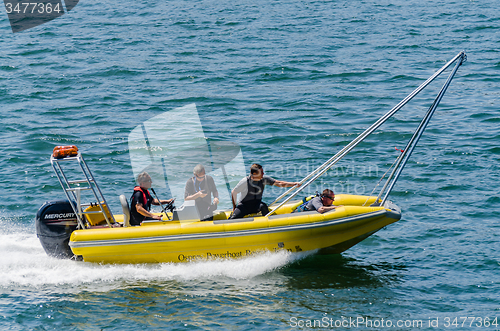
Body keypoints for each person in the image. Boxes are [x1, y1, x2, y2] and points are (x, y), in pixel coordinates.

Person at [230, 163, 300, 219]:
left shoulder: (264, 179)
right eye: (261, 172)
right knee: (233, 219)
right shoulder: (245, 181)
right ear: (254, 174)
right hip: (244, 206)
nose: (263, 174)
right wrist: (234, 207)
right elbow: (234, 192)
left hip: (256, 205)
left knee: (263, 206)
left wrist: (293, 184)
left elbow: (279, 183)